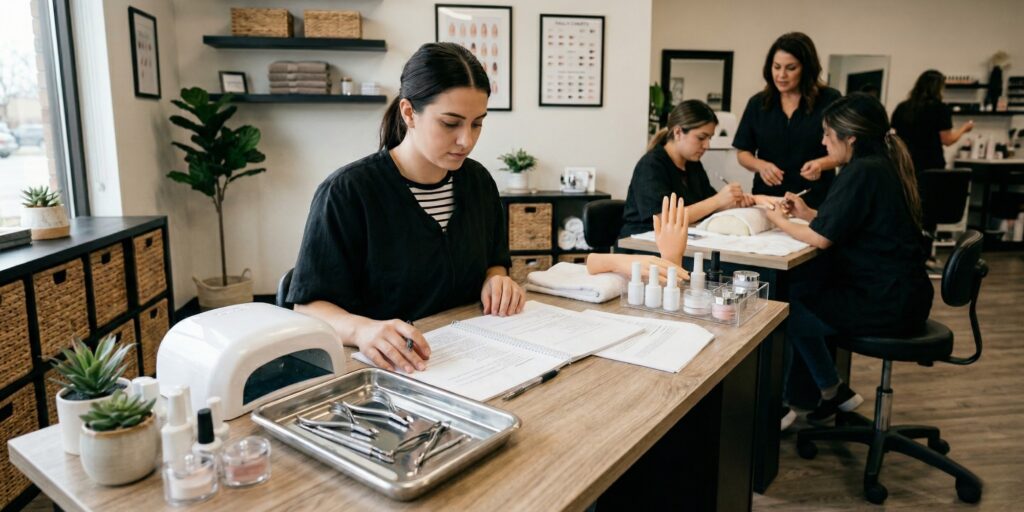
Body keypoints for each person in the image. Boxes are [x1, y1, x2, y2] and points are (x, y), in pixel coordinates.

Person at [287, 42, 525, 374]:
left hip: (477, 360)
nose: (466, 141)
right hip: (387, 370)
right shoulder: (348, 192)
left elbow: (495, 262)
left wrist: (496, 279)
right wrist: (363, 329)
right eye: (450, 123)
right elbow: (308, 307)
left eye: (477, 123)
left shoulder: (479, 183)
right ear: (409, 112)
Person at [762, 93, 934, 423]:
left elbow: (821, 239)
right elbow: (845, 224)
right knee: (799, 293)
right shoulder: (881, 166)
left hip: (884, 303)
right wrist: (808, 212)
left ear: (851, 137)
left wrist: (778, 220)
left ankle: (792, 403)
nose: (823, 141)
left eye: (828, 134)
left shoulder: (861, 172)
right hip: (905, 296)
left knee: (785, 310)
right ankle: (832, 392)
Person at [734, 32, 842, 208]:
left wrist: (821, 164)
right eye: (776, 67)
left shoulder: (830, 100)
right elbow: (742, 153)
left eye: (791, 68)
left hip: (815, 200)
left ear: (806, 69)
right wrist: (761, 165)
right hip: (768, 199)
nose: (781, 75)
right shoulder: (758, 103)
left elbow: (846, 150)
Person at [620, 99, 754, 239]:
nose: (707, 146)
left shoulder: (693, 165)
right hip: (641, 244)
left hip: (679, 241)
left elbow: (708, 206)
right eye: (701, 138)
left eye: (709, 138)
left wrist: (731, 202)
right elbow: (662, 218)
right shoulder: (651, 165)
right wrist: (718, 200)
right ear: (678, 132)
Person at [891, 69, 974, 176]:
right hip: (930, 164)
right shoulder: (940, 109)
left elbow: (894, 135)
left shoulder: (902, 108)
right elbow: (947, 140)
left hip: (904, 162)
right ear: (938, 88)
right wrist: (964, 128)